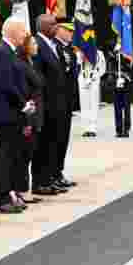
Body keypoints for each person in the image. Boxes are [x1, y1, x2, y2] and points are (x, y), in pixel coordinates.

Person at [0, 17, 33, 213]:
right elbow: (6, 84)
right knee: (5, 156)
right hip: (6, 113)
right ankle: (1, 198)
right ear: (13, 32)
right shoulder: (1, 52)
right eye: (23, 31)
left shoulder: (10, 52)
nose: (25, 35)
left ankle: (10, 194)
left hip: (14, 112)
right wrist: (23, 104)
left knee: (13, 156)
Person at [30, 14, 71, 196]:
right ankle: (41, 182)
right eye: (54, 24)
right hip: (46, 105)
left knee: (53, 143)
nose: (57, 27)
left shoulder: (51, 44)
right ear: (44, 26)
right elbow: (38, 76)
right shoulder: (38, 44)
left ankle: (50, 178)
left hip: (57, 104)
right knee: (43, 145)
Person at [15, 34, 44, 204]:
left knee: (29, 152)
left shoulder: (31, 63)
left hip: (35, 114)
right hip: (29, 114)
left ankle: (23, 188)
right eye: (33, 43)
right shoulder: (23, 65)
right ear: (25, 46)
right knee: (24, 154)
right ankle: (21, 189)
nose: (36, 46)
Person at [52, 22, 78, 188]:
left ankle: (59, 171)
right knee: (56, 139)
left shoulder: (69, 49)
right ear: (59, 30)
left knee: (63, 138)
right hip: (57, 101)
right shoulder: (55, 47)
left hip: (67, 101)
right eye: (67, 30)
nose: (70, 33)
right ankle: (53, 173)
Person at [77, 42, 106, 137]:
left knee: (93, 102)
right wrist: (81, 57)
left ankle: (92, 127)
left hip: (94, 79)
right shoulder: (80, 53)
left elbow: (103, 68)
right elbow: (76, 65)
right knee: (84, 103)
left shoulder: (99, 53)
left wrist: (96, 76)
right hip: (83, 79)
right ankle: (85, 127)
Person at [108, 44, 133, 138]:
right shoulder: (112, 60)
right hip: (116, 87)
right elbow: (110, 72)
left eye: (119, 51)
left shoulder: (127, 58)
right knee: (117, 109)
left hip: (126, 87)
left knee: (126, 109)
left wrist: (127, 78)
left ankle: (126, 129)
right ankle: (119, 129)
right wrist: (115, 79)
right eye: (116, 51)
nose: (118, 53)